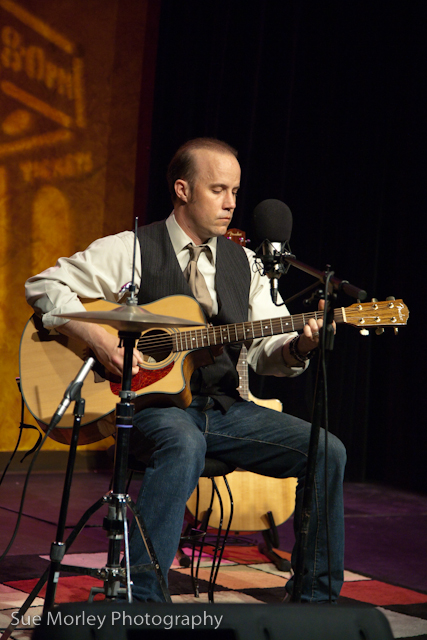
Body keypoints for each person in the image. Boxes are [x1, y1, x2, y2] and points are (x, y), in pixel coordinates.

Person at [25, 137, 346, 603]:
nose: (231, 203)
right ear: (182, 189)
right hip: (152, 406)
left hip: (224, 408)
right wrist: (97, 336)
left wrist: (300, 344)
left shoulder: (247, 264)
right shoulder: (131, 249)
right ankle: (142, 600)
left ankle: (318, 602)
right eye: (218, 189)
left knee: (327, 449)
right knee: (183, 441)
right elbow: (44, 284)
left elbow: (263, 351)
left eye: (235, 191)